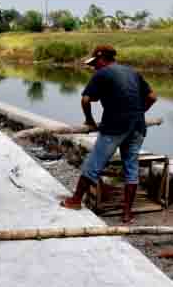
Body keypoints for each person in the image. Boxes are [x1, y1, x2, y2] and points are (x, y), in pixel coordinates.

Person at [61, 45, 158, 223]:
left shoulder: (102, 73)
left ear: (101, 59)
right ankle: (127, 214)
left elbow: (85, 99)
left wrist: (89, 120)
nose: (93, 67)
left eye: (94, 63)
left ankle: (75, 200)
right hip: (137, 126)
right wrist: (139, 113)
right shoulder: (132, 72)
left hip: (114, 126)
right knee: (131, 167)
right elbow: (152, 96)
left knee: (94, 163)